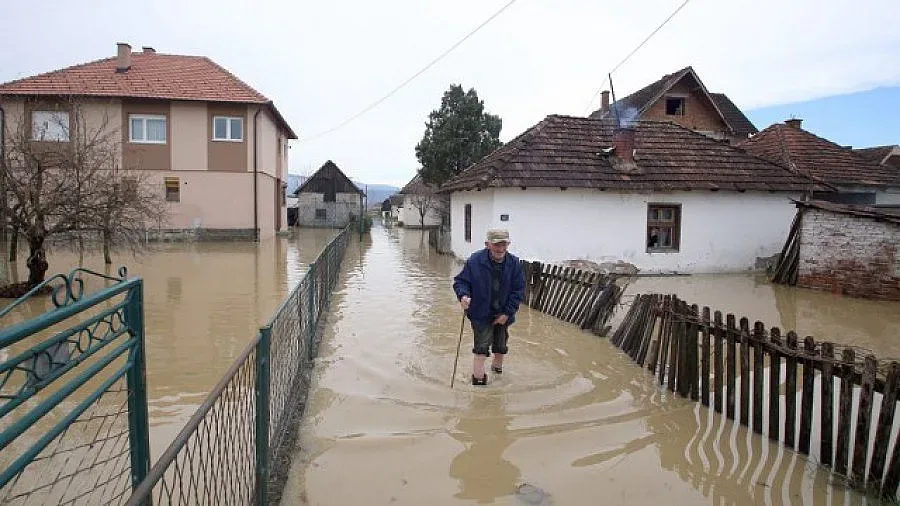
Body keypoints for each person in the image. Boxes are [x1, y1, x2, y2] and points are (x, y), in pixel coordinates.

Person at [452, 228, 525, 386]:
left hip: (503, 313)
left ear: (508, 244)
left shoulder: (514, 264)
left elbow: (518, 291)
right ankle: (478, 382)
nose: (500, 249)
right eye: (496, 245)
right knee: (481, 347)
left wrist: (507, 312)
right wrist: (463, 296)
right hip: (480, 312)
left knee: (500, 345)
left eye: (504, 244)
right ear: (487, 244)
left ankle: (497, 375)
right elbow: (461, 282)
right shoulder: (474, 261)